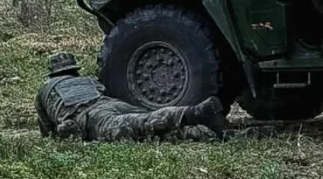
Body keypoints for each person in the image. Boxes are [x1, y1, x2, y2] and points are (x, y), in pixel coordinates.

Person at [35, 52, 226, 141]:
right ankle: (218, 132)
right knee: (151, 127)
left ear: (52, 73)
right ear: (73, 70)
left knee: (144, 125)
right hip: (114, 104)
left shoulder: (44, 90)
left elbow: (48, 132)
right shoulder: (88, 79)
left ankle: (194, 113)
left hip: (93, 118)